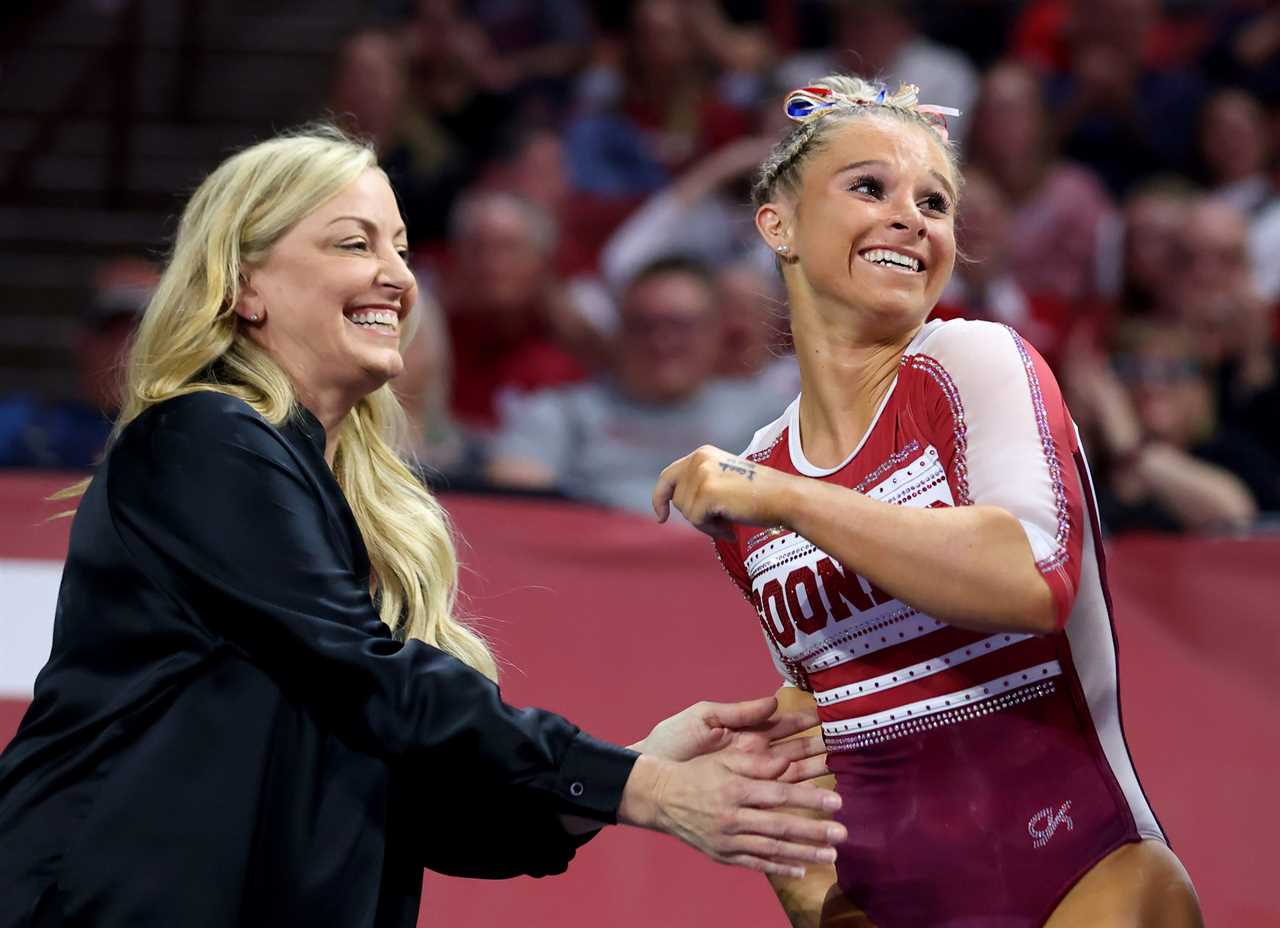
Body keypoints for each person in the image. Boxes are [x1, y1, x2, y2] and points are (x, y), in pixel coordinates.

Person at [0, 126, 849, 928]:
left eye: (401, 248)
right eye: (352, 243)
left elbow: (435, 816)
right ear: (241, 285)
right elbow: (370, 676)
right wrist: (643, 786)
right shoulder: (200, 437)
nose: (397, 276)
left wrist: (637, 761)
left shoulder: (348, 500)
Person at [652, 76, 1204, 926]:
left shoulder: (972, 362)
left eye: (936, 202)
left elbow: (1030, 576)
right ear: (779, 223)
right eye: (868, 187)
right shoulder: (757, 474)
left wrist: (789, 499)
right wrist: (803, 879)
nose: (912, 217)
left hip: (1086, 873)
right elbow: (820, 721)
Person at [486, 257, 791, 513]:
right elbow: (515, 508)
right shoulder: (558, 413)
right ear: (619, 332)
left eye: (682, 326)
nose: (662, 342)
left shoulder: (770, 418)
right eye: (644, 325)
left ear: (715, 332)